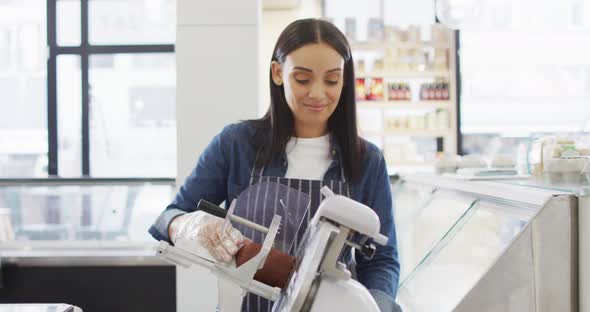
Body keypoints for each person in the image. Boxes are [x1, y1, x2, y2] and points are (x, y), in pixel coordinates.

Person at [149, 18, 400, 312]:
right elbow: (166, 218)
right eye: (303, 79)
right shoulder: (236, 144)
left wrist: (375, 307)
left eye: (331, 80)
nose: (318, 93)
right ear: (278, 73)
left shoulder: (366, 160)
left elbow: (382, 259)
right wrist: (189, 225)